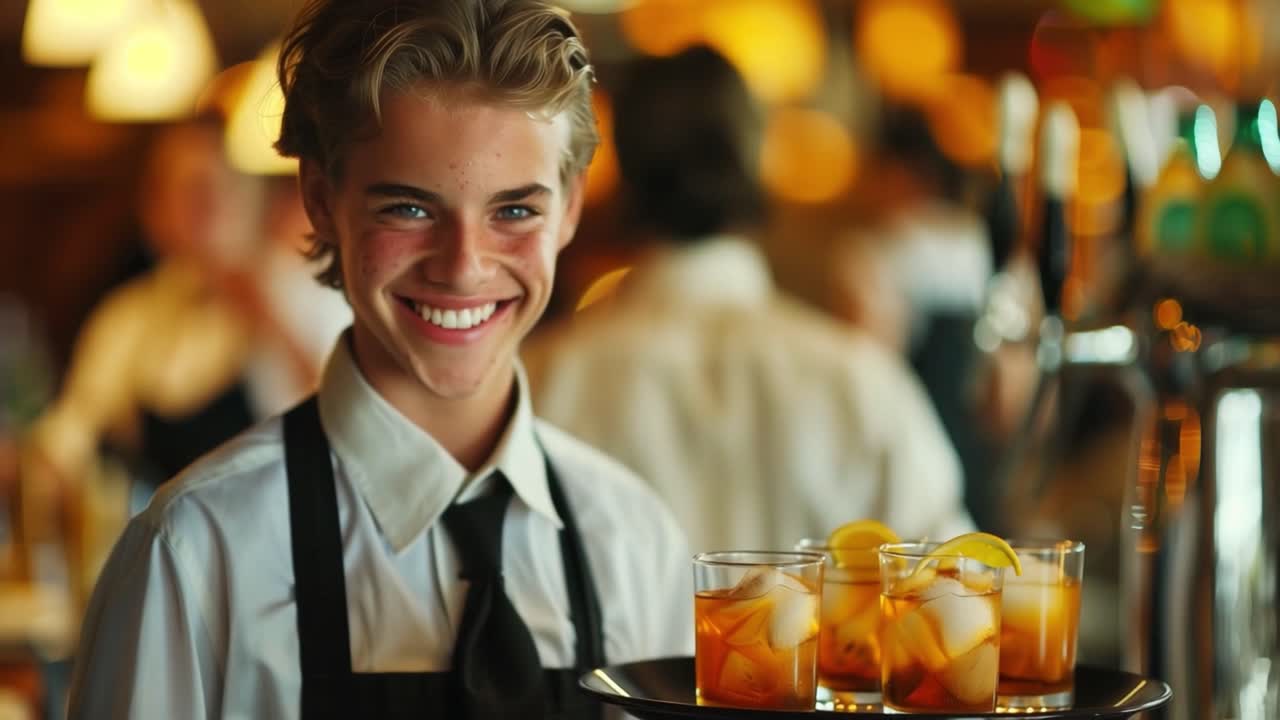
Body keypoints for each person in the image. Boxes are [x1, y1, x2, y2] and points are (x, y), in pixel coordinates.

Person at [67, 1, 691, 718]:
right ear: (322, 200)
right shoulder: (194, 553)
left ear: (571, 207)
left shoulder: (635, 540)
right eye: (411, 209)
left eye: (514, 211)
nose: (463, 267)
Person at [523, 46, 973, 555]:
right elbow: (955, 594)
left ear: (622, 166)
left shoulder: (542, 379)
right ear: (758, 159)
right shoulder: (861, 380)